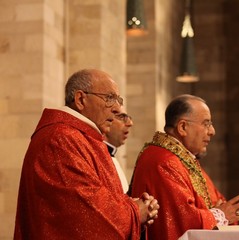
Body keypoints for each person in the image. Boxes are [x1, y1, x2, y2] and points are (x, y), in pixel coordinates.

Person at [14, 69, 159, 240]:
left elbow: (101, 197)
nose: (117, 108)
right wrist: (135, 212)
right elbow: (86, 215)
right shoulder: (61, 139)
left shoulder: (80, 137)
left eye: (118, 100)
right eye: (109, 98)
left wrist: (134, 206)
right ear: (81, 99)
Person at [129, 94, 239, 240]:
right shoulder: (163, 161)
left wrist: (224, 212)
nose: (212, 131)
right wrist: (220, 215)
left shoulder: (182, 159)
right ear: (182, 127)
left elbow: (220, 203)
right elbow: (181, 221)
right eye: (206, 124)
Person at [103, 108, 133, 193]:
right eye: (122, 117)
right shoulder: (97, 156)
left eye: (128, 117)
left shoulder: (111, 154)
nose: (130, 123)